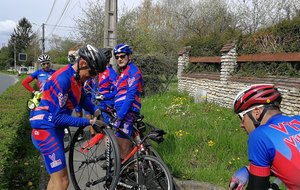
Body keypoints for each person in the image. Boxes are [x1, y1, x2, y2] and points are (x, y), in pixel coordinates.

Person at [29, 44, 108, 190]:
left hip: (53, 128)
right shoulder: (63, 79)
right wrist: (89, 122)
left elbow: (82, 97)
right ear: (82, 63)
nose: (93, 77)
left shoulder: (76, 78)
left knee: (56, 180)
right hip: (46, 129)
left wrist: (97, 111)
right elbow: (58, 118)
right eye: (92, 73)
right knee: (63, 181)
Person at [229, 84, 300, 190]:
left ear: (256, 112)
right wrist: (250, 169)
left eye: (242, 118)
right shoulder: (298, 119)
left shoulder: (259, 136)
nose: (242, 125)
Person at [112, 43, 143, 160]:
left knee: (123, 146)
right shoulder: (123, 72)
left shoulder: (133, 71)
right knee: (117, 142)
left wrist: (120, 115)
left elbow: (130, 95)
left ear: (129, 56)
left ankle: (129, 174)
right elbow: (119, 93)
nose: (119, 59)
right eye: (117, 57)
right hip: (122, 109)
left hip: (127, 110)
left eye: (122, 56)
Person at [96, 48, 118, 124]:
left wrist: (106, 96)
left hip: (108, 103)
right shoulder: (100, 71)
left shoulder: (112, 73)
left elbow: (117, 90)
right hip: (100, 101)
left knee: (108, 123)